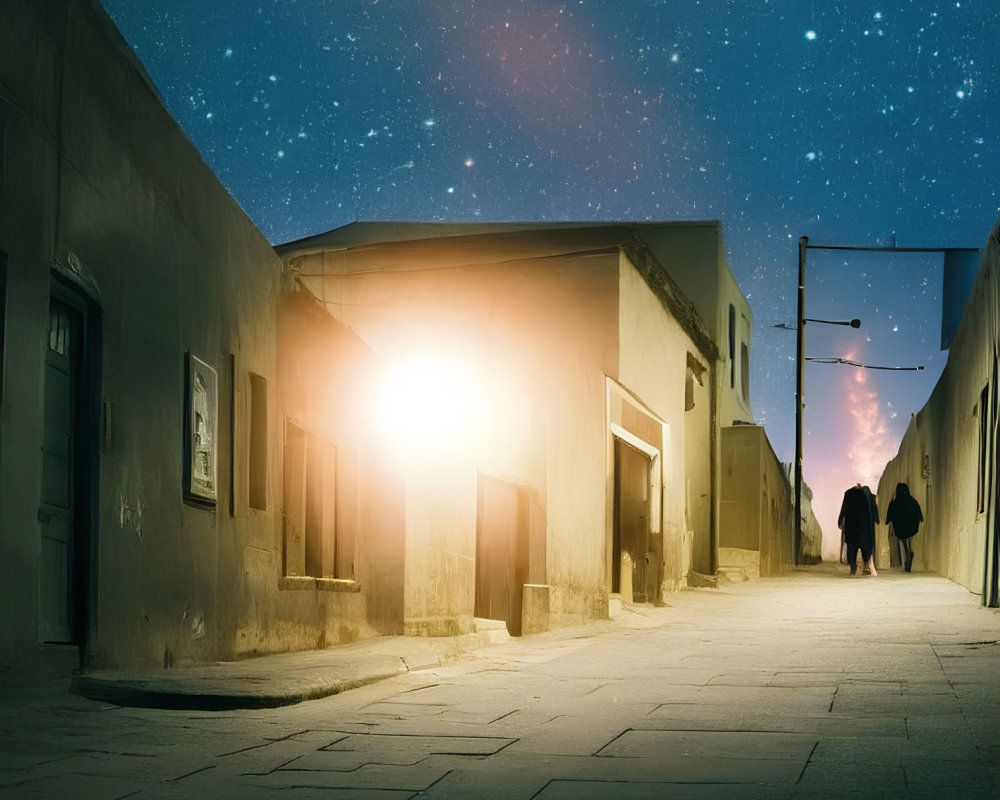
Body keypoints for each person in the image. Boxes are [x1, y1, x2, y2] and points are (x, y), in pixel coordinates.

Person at [838, 483, 879, 576]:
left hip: (851, 527)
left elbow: (844, 507)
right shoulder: (869, 495)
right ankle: (866, 567)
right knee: (865, 548)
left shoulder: (849, 494)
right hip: (865, 528)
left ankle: (853, 569)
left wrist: (840, 520)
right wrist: (877, 519)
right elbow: (874, 509)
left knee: (852, 549)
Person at [885, 482, 923, 572]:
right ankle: (909, 553)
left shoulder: (894, 503)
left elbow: (889, 515)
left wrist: (887, 521)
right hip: (912, 525)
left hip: (900, 527)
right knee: (909, 537)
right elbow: (919, 511)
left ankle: (907, 555)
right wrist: (921, 519)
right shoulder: (912, 500)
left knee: (902, 539)